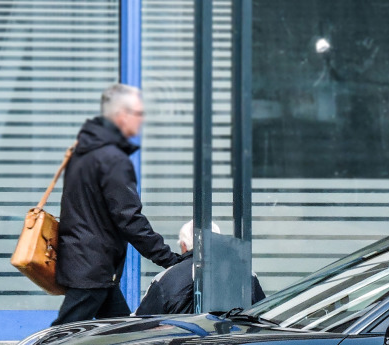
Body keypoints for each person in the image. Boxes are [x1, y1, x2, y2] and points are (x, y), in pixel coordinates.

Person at [53, 83, 185, 326]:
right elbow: (129, 219)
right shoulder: (112, 159)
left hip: (92, 264)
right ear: (121, 115)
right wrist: (169, 260)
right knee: (61, 336)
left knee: (121, 332)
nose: (141, 120)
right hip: (92, 267)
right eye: (139, 113)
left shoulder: (86, 151)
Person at [135, 221, 267, 316]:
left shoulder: (165, 278)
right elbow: (263, 315)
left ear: (184, 246)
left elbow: (141, 323)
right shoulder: (246, 274)